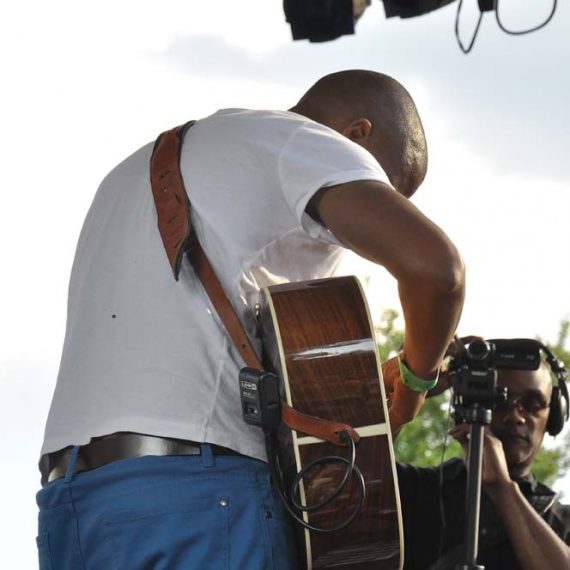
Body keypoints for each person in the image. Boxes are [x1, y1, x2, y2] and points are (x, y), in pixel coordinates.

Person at [36, 69, 465, 569]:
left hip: (74, 501)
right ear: (357, 136)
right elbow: (438, 270)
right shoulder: (310, 144)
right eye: (384, 188)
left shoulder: (130, 172)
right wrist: (413, 383)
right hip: (195, 497)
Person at [396, 345, 570, 570]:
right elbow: (344, 467)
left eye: (532, 403)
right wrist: (411, 388)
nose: (515, 417)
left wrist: (503, 488)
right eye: (499, 399)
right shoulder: (417, 489)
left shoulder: (562, 522)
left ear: (554, 415)